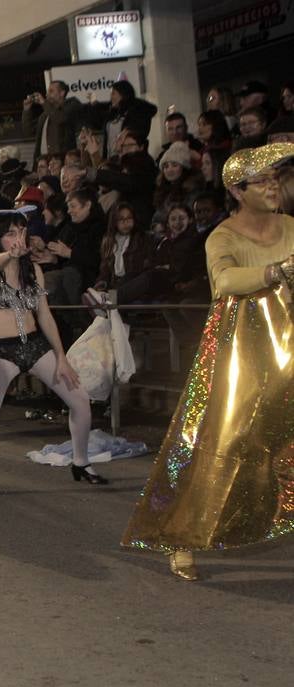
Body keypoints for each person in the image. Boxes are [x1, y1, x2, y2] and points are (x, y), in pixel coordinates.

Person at [122, 146, 294, 580]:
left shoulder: (290, 226)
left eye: (277, 178)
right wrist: (275, 273)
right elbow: (224, 281)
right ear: (237, 191)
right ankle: (181, 536)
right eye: (264, 180)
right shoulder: (223, 236)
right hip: (243, 353)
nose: (275, 186)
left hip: (289, 345)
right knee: (222, 442)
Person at [0, 211, 103, 501]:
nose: (18, 239)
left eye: (21, 232)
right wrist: (9, 255)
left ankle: (81, 462)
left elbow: (44, 315)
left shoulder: (33, 270)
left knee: (79, 400)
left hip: (34, 345)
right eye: (11, 233)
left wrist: (61, 357)